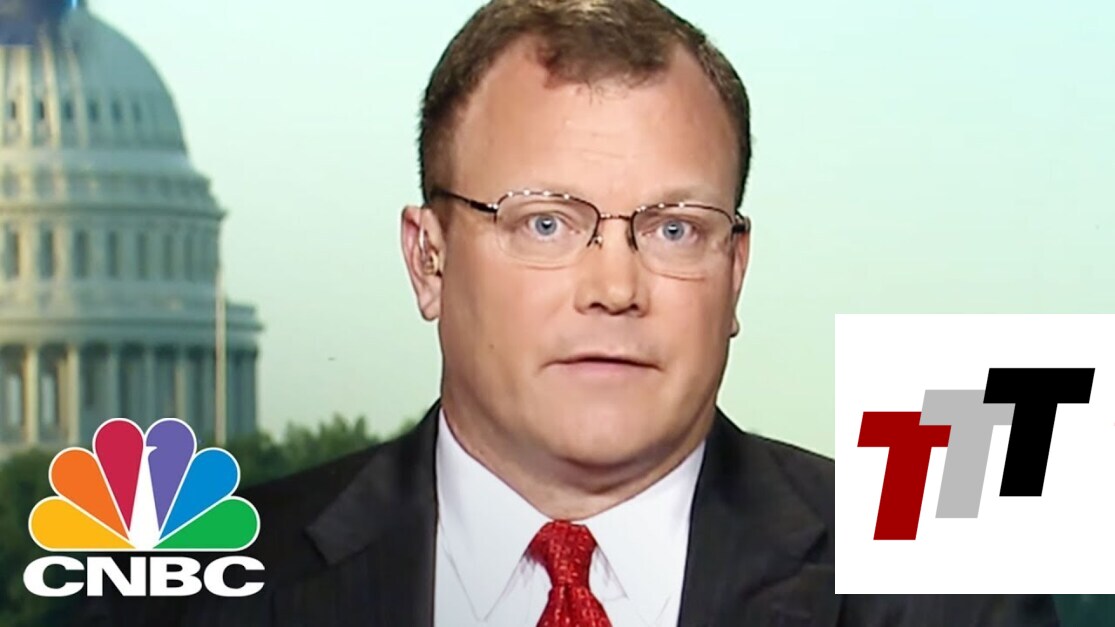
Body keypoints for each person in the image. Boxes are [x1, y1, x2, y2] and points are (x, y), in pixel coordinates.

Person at [86, 0, 1059, 625]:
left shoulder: (946, 595)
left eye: (673, 229)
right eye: (544, 222)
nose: (614, 286)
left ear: (734, 271)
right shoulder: (192, 593)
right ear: (427, 261)